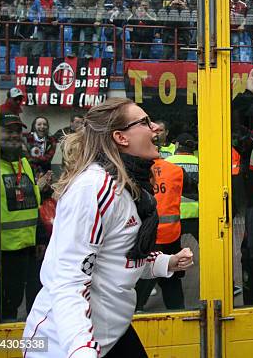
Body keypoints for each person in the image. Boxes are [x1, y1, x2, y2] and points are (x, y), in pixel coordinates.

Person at [22, 98, 194, 357]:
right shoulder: (93, 189)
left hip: (113, 331)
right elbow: (69, 281)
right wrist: (81, 349)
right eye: (145, 122)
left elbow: (118, 257)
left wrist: (165, 263)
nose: (156, 128)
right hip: (68, 343)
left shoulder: (128, 185)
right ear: (120, 138)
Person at [0, 113, 50, 321]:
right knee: (7, 306)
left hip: (29, 249)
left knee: (33, 302)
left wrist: (39, 239)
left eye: (18, 132)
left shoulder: (24, 164)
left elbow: (32, 205)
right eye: (8, 131)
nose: (14, 136)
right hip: (2, 252)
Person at [135, 156, 198, 311]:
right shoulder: (176, 171)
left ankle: (137, 309)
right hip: (170, 234)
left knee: (143, 276)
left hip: (146, 235)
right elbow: (194, 191)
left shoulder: (136, 171)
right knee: (171, 277)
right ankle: (177, 311)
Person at [166, 133, 199, 242]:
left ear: (177, 145)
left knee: (174, 250)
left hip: (174, 213)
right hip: (198, 212)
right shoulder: (201, 162)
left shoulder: (167, 163)